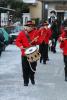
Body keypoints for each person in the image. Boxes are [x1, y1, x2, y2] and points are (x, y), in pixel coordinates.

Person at [15, 20, 43, 86]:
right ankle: (26, 81)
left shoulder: (35, 32)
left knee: (33, 67)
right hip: (24, 53)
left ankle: (32, 77)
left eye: (31, 26)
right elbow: (17, 41)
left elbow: (39, 42)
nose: (30, 27)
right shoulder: (22, 33)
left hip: (33, 53)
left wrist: (37, 41)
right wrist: (20, 46)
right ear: (26, 27)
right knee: (25, 68)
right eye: (28, 26)